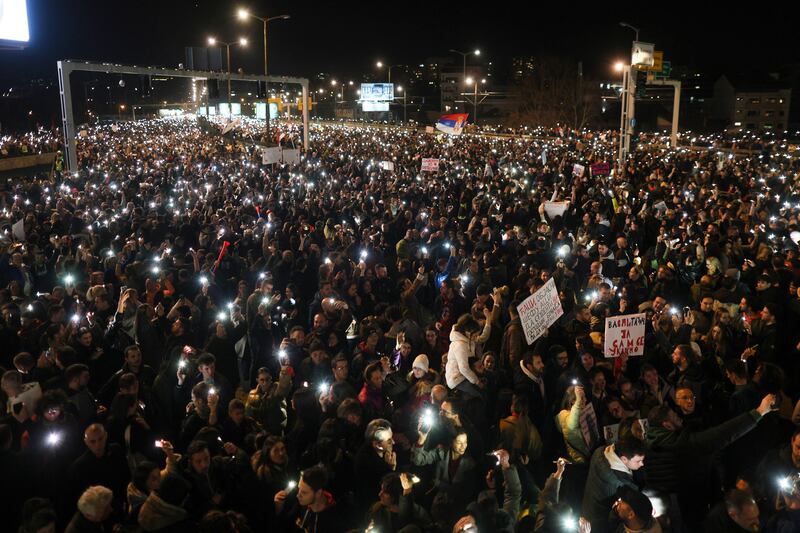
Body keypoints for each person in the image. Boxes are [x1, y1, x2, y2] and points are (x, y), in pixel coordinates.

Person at [582, 438, 646, 532]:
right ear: (624, 459)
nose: (642, 464)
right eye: (638, 461)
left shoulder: (600, 451)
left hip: (588, 504)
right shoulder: (620, 481)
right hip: (600, 521)